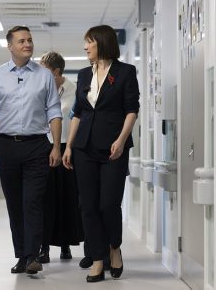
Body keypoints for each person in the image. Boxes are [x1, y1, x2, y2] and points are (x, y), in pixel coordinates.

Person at [62, 25, 139, 283]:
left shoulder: (126, 72)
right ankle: (96, 259)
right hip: (84, 147)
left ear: (102, 43)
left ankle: (114, 247)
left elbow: (131, 110)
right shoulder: (84, 75)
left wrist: (121, 139)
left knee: (108, 204)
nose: (85, 48)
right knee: (89, 206)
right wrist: (70, 146)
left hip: (113, 148)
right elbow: (79, 113)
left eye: (89, 43)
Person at [0, 26, 62, 275]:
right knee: (15, 204)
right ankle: (21, 255)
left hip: (37, 145)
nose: (27, 44)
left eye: (29, 40)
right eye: (21, 41)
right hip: (5, 145)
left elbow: (54, 111)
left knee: (33, 202)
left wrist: (56, 146)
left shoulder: (44, 76)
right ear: (10, 46)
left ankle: (32, 256)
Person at [37, 51, 83, 264]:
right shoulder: (38, 90)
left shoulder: (75, 90)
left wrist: (69, 147)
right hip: (44, 148)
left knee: (67, 198)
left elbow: (78, 120)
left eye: (44, 69)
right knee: (45, 200)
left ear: (56, 71)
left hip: (68, 149)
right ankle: (43, 247)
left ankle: (65, 245)